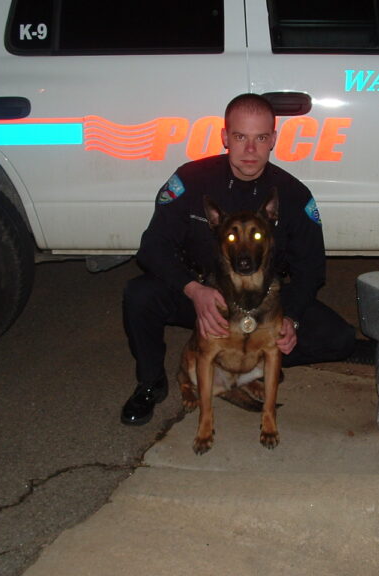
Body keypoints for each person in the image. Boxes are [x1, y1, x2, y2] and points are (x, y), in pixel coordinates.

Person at [121, 93, 356, 425]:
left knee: (339, 338)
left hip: (261, 305)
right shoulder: (192, 180)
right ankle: (150, 383)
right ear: (225, 137)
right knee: (139, 295)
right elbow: (152, 247)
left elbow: (311, 269)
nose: (250, 150)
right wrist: (193, 290)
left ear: (273, 140)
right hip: (205, 301)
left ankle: (248, 365)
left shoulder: (292, 194)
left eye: (260, 138)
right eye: (240, 137)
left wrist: (291, 319)